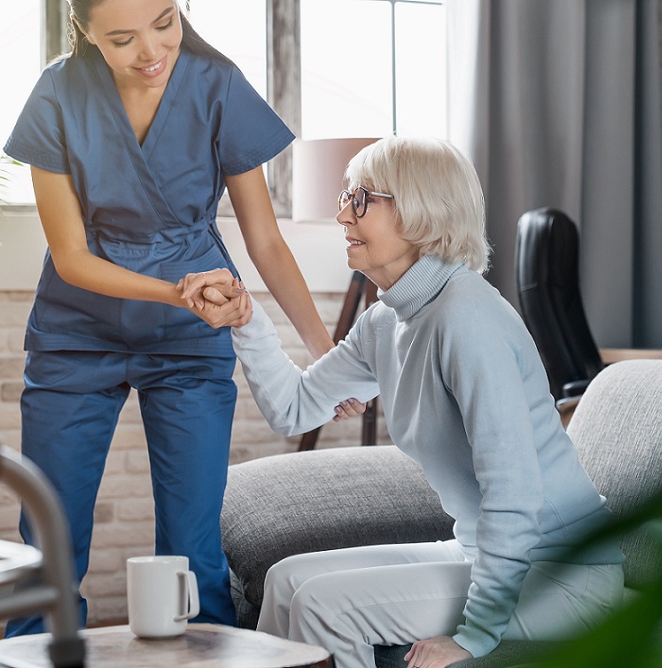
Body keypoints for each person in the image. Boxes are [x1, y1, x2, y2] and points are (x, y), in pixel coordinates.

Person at [182, 136, 625, 668]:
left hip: (564, 574)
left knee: (326, 607)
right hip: (479, 549)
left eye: (362, 199)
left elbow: (514, 490)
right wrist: (246, 320)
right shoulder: (387, 322)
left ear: (421, 212)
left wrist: (475, 634)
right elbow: (294, 408)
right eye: (347, 196)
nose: (342, 212)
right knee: (285, 579)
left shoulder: (466, 318)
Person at [2, 0, 359, 636]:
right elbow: (71, 255)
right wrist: (177, 292)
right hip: (78, 333)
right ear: (83, 30)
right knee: (46, 549)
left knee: (195, 552)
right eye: (122, 37)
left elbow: (267, 242)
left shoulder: (216, 85)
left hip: (192, 339)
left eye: (165, 22)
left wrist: (324, 356)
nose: (151, 51)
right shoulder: (57, 93)